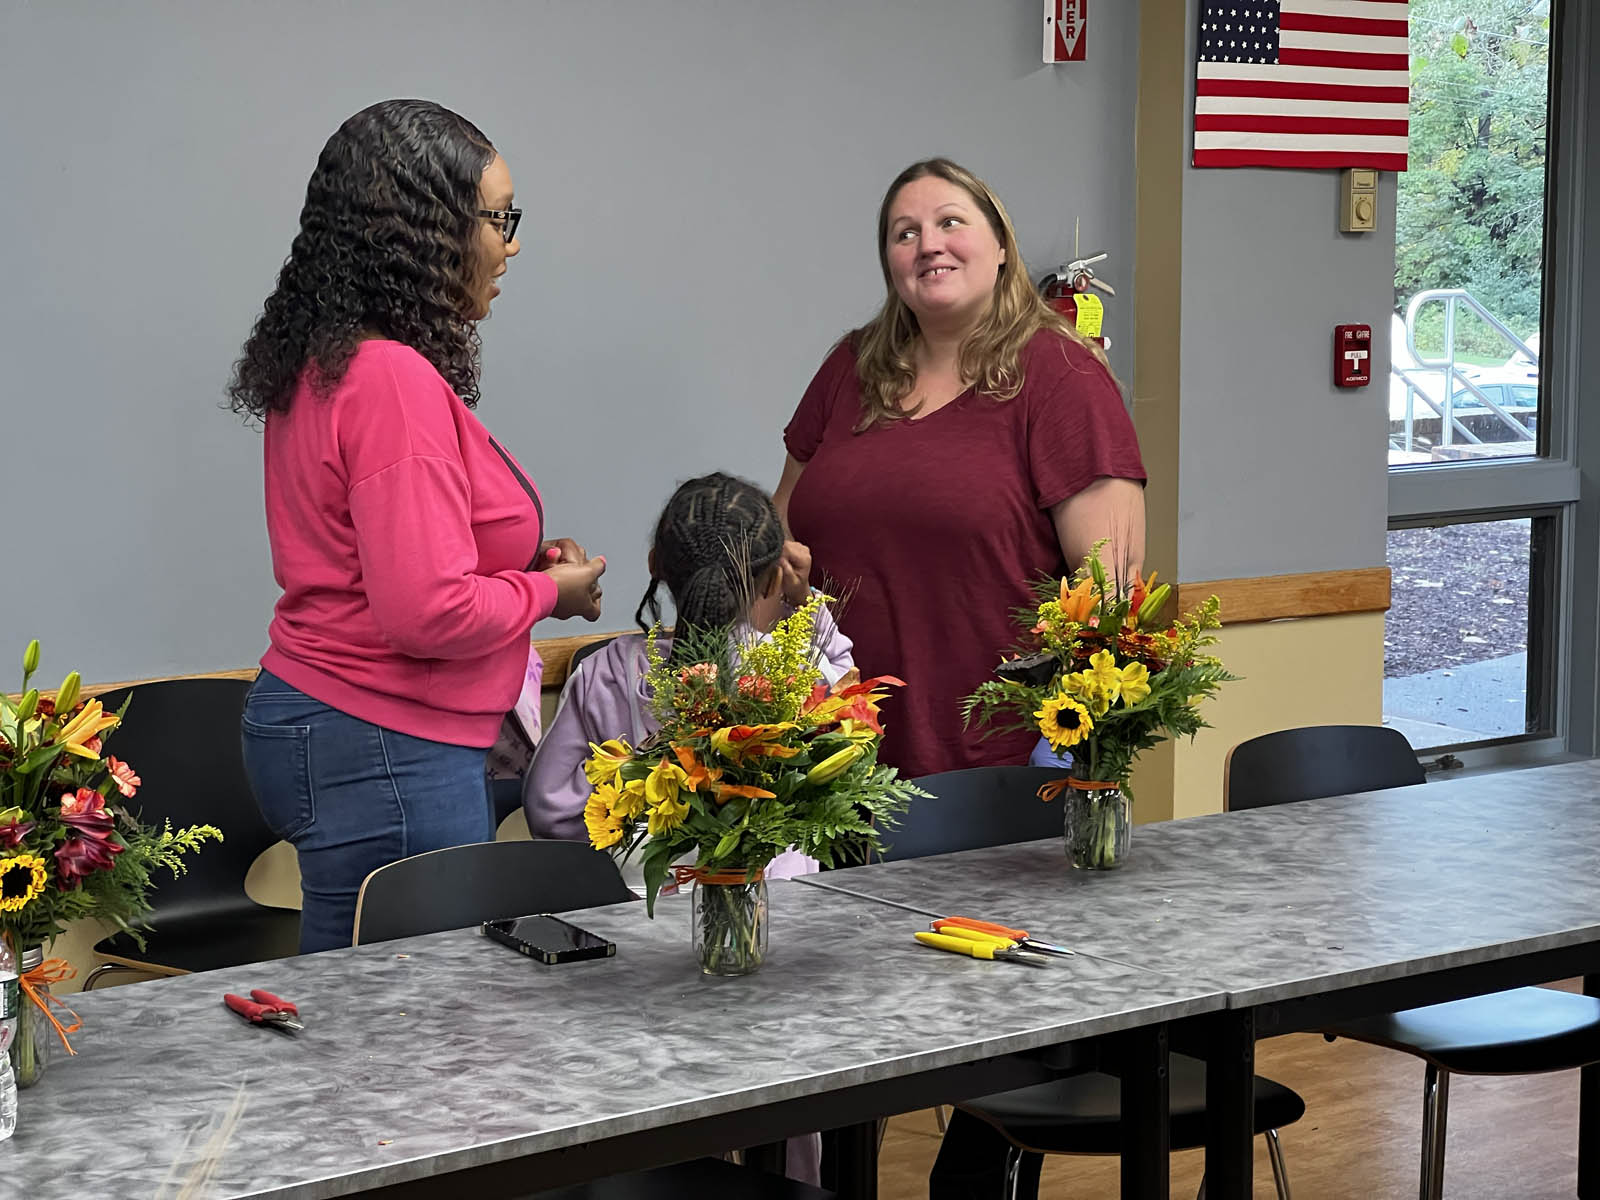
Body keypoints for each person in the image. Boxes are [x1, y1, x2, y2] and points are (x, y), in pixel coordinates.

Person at [773, 157, 1147, 1199]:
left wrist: (1067, 745)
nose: (926, 243)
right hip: (838, 759)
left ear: (996, 239)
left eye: (949, 220)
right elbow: (783, 538)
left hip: (992, 759)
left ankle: (976, 1176)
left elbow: (1110, 592)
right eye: (902, 229)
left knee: (988, 1026)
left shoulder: (1060, 377)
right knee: (829, 1017)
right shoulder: (851, 369)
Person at [228, 100, 606, 954]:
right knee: (405, 1028)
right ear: (424, 230)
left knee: (354, 1010)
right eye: (496, 218)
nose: (510, 243)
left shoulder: (332, 362)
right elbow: (426, 609)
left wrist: (522, 562)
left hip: (334, 723)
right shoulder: (391, 380)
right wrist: (549, 589)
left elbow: (380, 554)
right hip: (382, 741)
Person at [524, 471, 852, 856]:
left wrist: (635, 787)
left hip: (639, 903)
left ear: (655, 566)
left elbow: (549, 809)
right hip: (778, 899)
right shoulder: (790, 671)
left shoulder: (606, 670)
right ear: (770, 582)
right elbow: (848, 687)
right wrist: (804, 599)